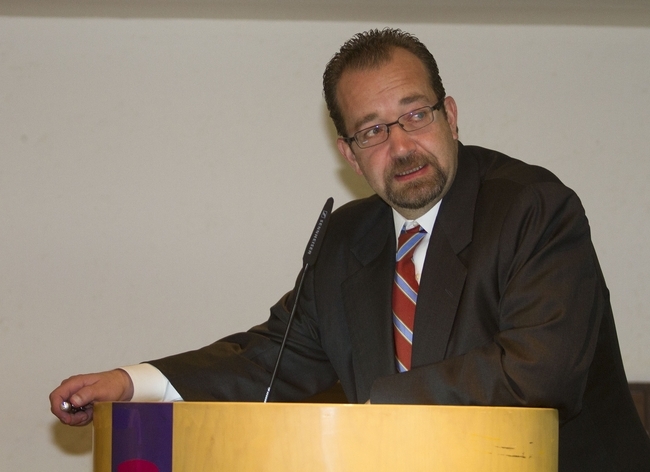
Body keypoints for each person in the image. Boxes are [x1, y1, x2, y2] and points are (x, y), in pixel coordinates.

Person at [50, 28, 650, 470]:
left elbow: (538, 372)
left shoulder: (531, 208)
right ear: (350, 154)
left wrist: (373, 402)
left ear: (451, 116)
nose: (402, 146)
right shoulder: (347, 238)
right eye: (372, 130)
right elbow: (272, 358)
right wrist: (133, 383)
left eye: (416, 115)